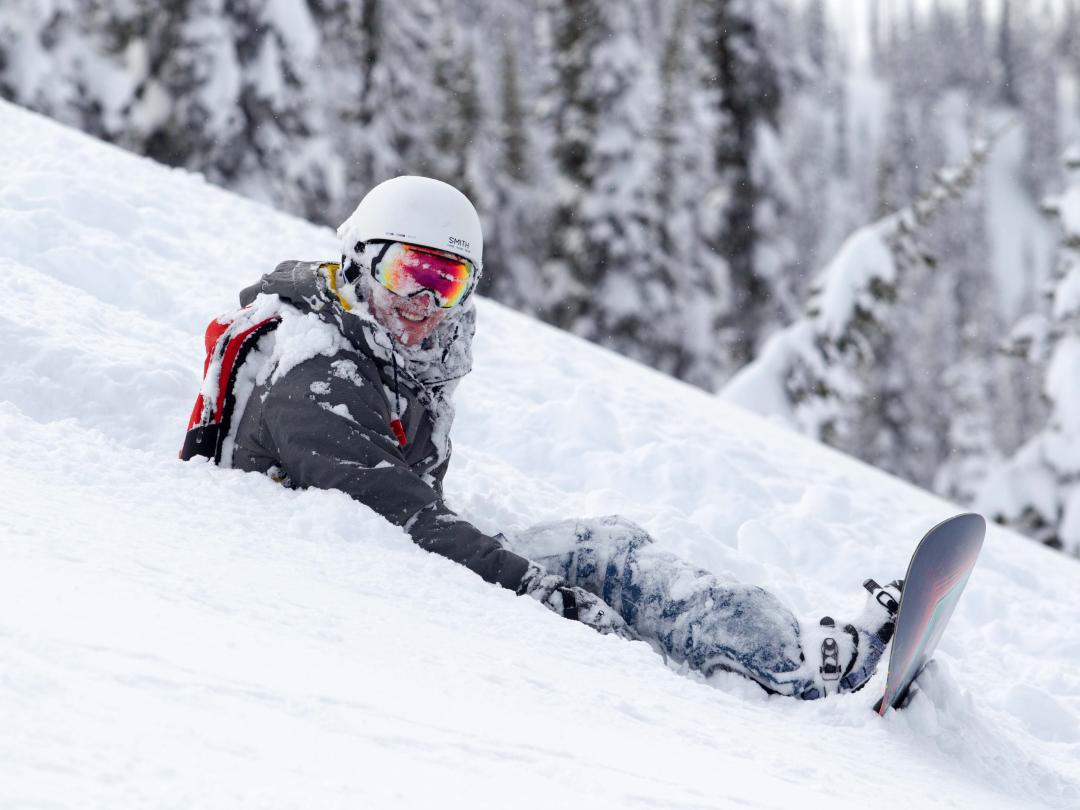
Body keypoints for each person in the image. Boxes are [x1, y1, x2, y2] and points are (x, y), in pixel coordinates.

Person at [198, 175, 902, 700]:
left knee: (605, 550)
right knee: (597, 567)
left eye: (447, 283)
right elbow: (402, 518)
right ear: (359, 260)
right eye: (407, 273)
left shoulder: (383, 348)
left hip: (372, 580)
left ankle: (786, 656)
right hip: (331, 615)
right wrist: (542, 593)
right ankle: (777, 678)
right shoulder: (315, 373)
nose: (424, 303)